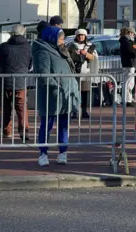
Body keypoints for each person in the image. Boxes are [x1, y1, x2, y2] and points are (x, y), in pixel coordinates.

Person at [33, 26, 80, 167]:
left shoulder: (61, 50)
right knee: (46, 126)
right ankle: (43, 153)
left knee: (64, 126)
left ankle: (63, 152)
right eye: (60, 38)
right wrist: (56, 86)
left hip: (65, 96)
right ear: (52, 37)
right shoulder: (42, 51)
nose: (62, 40)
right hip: (51, 96)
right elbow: (43, 73)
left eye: (62, 38)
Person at [0, 24, 32, 141]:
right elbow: (30, 65)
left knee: (6, 108)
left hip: (5, 81)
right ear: (23, 33)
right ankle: (24, 132)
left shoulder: (4, 46)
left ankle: (7, 131)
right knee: (21, 108)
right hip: (21, 82)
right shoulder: (28, 47)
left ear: (12, 33)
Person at [67, 29, 99, 119]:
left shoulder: (89, 46)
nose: (81, 37)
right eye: (79, 35)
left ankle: (84, 111)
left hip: (85, 72)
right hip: (75, 71)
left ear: (85, 36)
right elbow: (67, 56)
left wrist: (86, 54)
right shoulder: (72, 45)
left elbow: (93, 58)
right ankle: (74, 111)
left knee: (84, 92)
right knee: (74, 92)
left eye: (82, 35)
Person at [119, 27, 136, 107]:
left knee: (127, 82)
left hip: (128, 63)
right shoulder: (126, 42)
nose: (134, 36)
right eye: (133, 34)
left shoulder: (125, 41)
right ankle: (128, 100)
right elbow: (132, 52)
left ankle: (126, 99)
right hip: (129, 64)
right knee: (129, 83)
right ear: (129, 33)